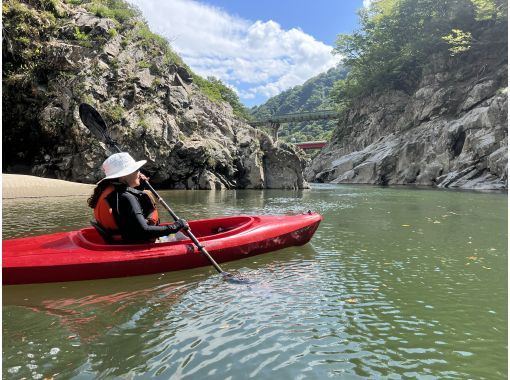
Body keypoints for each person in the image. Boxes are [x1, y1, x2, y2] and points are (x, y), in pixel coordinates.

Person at [87, 152, 188, 244]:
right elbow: (145, 230)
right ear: (124, 176)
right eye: (136, 170)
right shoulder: (126, 198)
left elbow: (126, 204)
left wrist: (139, 186)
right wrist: (176, 226)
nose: (139, 173)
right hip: (135, 244)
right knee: (181, 237)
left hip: (118, 241)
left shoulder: (109, 191)